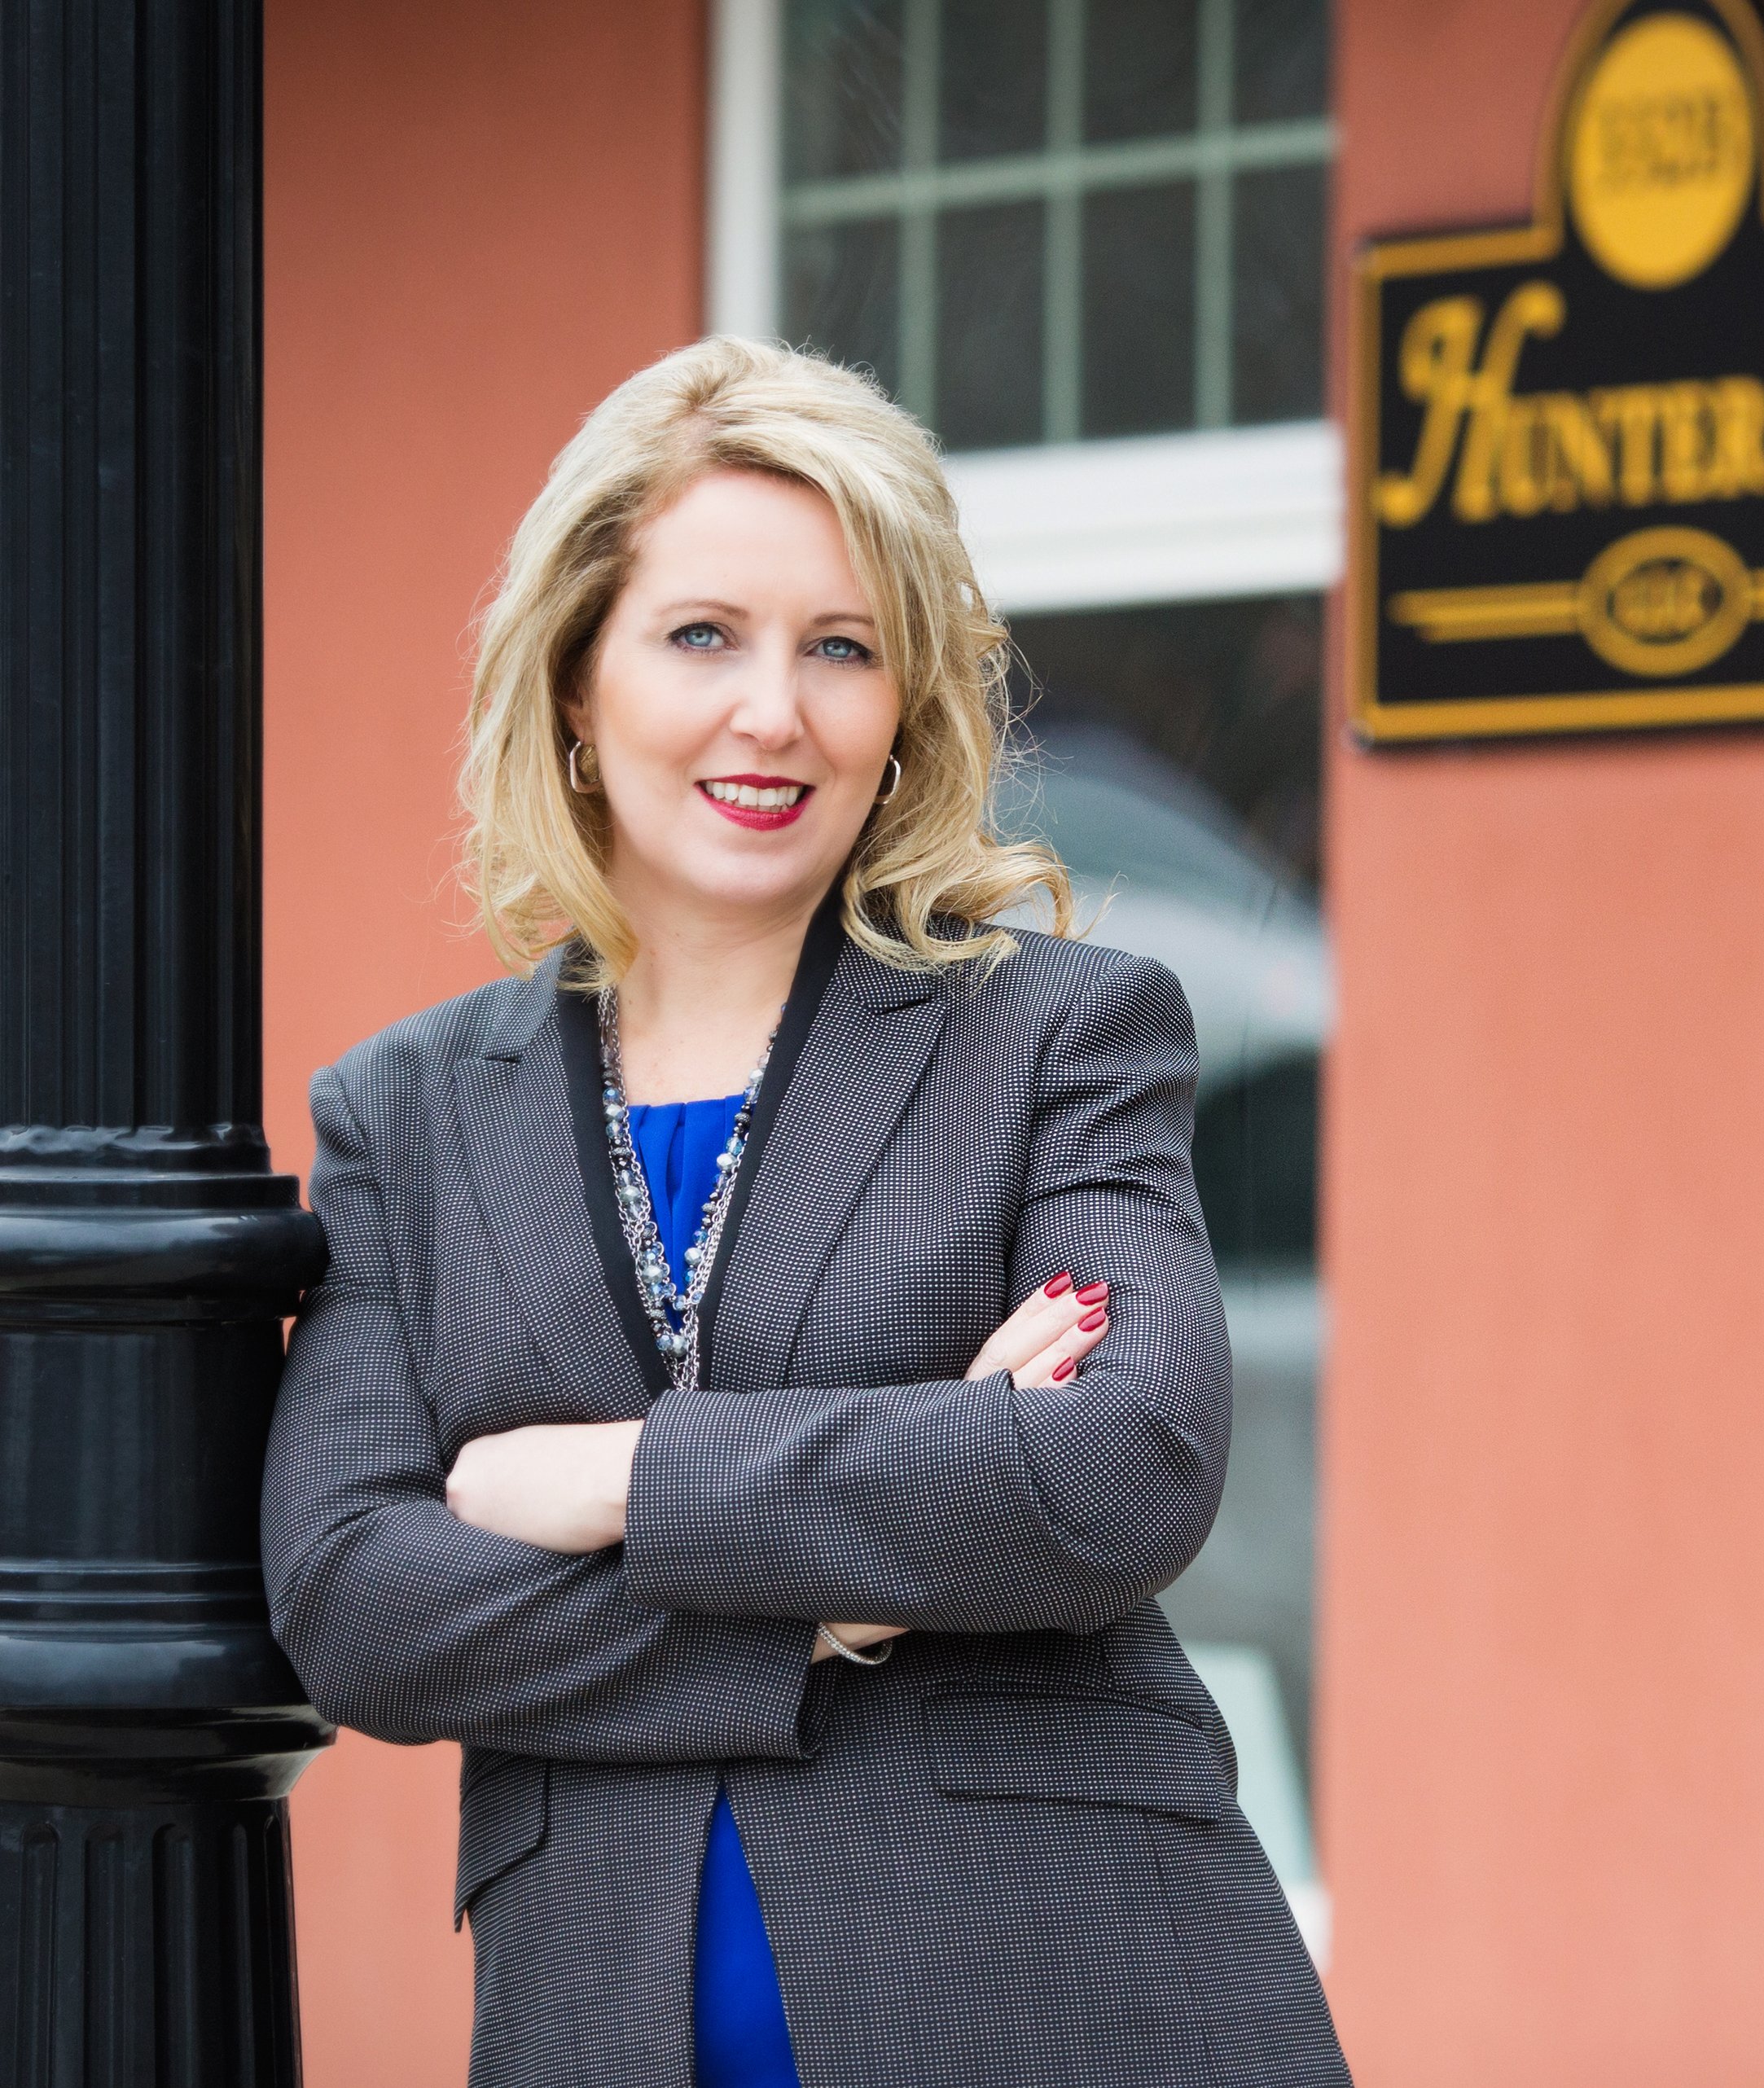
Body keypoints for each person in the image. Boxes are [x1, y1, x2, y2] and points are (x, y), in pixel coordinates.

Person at [260, 337, 1349, 2088]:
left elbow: (1125, 1461)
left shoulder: (1056, 1031)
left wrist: (616, 1480)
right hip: (600, 2023)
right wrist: (846, 1581)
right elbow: (356, 1595)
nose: (774, 709)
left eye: (838, 648)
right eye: (704, 636)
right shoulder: (407, 1113)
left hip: (1063, 2009)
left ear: (901, 709)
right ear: (572, 681)